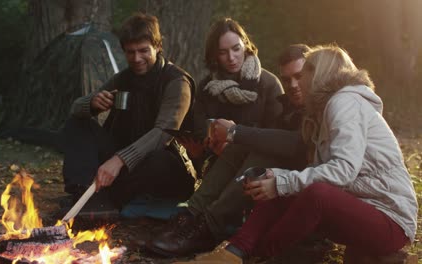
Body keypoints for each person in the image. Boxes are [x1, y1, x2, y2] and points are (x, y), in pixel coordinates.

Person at [174, 45, 418, 263]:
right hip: (361, 209)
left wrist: (283, 181)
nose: (298, 83)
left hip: (391, 220)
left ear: (320, 73)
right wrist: (278, 178)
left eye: (305, 74)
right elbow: (317, 171)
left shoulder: (344, 103)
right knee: (283, 187)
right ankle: (233, 252)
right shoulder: (321, 113)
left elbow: (343, 171)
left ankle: (256, 255)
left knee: (312, 192)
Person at [146, 44, 309, 257]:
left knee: (257, 151)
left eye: (299, 76)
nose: (293, 85)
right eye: (288, 80)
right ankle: (190, 215)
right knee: (241, 146)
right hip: (237, 161)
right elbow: (269, 135)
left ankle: (210, 226)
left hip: (302, 175)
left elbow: (297, 144)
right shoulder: (208, 86)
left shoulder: (276, 87)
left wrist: (235, 131)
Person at [61, 13, 196, 211]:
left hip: (166, 167)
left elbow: (163, 133)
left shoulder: (176, 82)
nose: (136, 58)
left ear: (158, 47)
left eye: (143, 51)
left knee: (159, 159)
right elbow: (74, 109)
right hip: (126, 164)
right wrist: (92, 103)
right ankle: (84, 194)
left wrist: (119, 160)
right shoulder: (123, 78)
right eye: (130, 52)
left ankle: (108, 198)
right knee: (77, 122)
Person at [179, 17, 283, 177]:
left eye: (236, 49)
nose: (231, 57)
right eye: (223, 52)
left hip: (257, 167)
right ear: (215, 55)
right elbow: (201, 131)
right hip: (216, 165)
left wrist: (235, 142)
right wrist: (205, 147)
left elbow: (277, 136)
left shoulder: (268, 84)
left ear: (246, 46)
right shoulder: (207, 87)